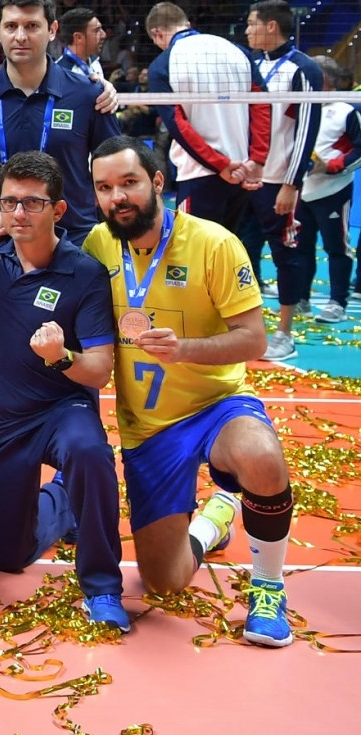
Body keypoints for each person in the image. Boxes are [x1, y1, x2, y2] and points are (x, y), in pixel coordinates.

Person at [84, 136, 296, 646]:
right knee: (164, 581)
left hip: (215, 405)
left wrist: (185, 350)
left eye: (129, 182)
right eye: (105, 187)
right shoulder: (96, 245)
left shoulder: (214, 243)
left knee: (261, 456)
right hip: (148, 431)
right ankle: (216, 518)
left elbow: (255, 339)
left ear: (157, 183)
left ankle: (268, 588)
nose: (119, 197)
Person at [0, 152, 127, 630]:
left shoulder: (85, 273)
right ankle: (62, 498)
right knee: (7, 556)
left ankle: (102, 587)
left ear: (58, 210)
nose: (19, 214)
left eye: (33, 204)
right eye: (10, 202)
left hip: (63, 408)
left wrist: (60, 356)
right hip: (0, 418)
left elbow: (99, 371)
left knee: (90, 452)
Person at [0, 0, 119, 241]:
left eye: (32, 26)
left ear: (52, 30)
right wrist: (10, 205)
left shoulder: (88, 94)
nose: (20, 36)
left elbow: (114, 166)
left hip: (73, 237)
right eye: (11, 26)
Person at [241, 0, 321, 362]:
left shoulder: (302, 69)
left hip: (279, 181)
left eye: (252, 24)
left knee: (286, 255)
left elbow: (307, 129)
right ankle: (246, 329)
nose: (247, 31)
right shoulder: (251, 65)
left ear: (271, 26)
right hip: (246, 178)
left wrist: (292, 182)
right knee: (242, 253)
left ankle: (285, 332)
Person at [143, 1, 267, 231]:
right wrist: (257, 159)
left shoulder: (162, 64)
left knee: (193, 258)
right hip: (242, 171)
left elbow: (177, 125)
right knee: (229, 254)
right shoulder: (237, 50)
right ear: (187, 24)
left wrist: (220, 164)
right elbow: (262, 106)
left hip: (199, 174)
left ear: (157, 33)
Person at [302, 56, 356, 324]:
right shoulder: (301, 109)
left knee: (337, 248)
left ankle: (338, 302)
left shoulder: (345, 111)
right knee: (300, 247)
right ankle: (301, 299)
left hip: (333, 190)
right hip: (300, 190)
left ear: (324, 79)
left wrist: (333, 167)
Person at [54, 7, 109, 84]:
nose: (104, 35)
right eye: (97, 31)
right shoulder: (60, 74)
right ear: (78, 37)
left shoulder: (95, 62)